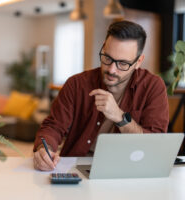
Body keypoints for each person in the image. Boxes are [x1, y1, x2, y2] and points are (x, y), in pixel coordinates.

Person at [33, 20, 169, 171]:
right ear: (104, 46)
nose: (111, 69)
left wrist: (119, 117)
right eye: (107, 58)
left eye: (123, 64)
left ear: (138, 61)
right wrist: (43, 149)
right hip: (77, 169)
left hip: (128, 170)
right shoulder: (77, 84)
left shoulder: (152, 87)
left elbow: (155, 144)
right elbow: (53, 126)